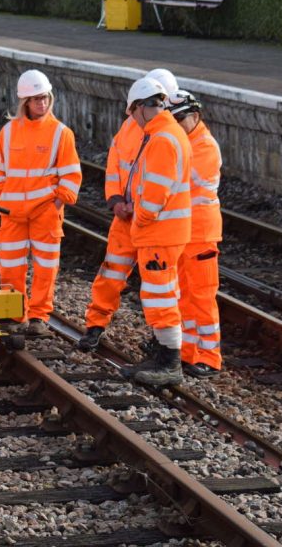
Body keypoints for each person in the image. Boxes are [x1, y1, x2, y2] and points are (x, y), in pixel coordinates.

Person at [78, 70, 180, 353]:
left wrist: (142, 208)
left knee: (159, 286)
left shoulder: (167, 134)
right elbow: (115, 166)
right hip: (126, 218)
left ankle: (162, 343)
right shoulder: (129, 129)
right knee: (111, 274)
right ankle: (95, 325)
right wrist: (115, 200)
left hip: (152, 222)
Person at [0, 69, 82, 336]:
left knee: (45, 267)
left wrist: (58, 203)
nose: (42, 103)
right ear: (24, 102)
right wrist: (0, 195)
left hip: (45, 212)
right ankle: (16, 315)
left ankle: (39, 316)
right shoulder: (9, 131)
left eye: (45, 97)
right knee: (10, 265)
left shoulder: (61, 133)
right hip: (11, 212)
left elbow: (72, 175)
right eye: (36, 99)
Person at [116, 76, 193, 387]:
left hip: (159, 233)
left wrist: (141, 217)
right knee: (162, 294)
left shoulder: (162, 139)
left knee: (160, 296)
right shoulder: (170, 133)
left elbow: (155, 195)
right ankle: (162, 356)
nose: (133, 120)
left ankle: (170, 363)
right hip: (167, 233)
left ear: (140, 108)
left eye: (133, 114)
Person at [168, 90, 223, 377]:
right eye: (173, 119)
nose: (177, 124)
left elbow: (182, 185)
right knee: (183, 295)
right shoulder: (184, 142)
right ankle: (188, 353)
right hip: (182, 232)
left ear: (196, 116)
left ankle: (210, 357)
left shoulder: (204, 147)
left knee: (201, 296)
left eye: (181, 119)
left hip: (201, 233)